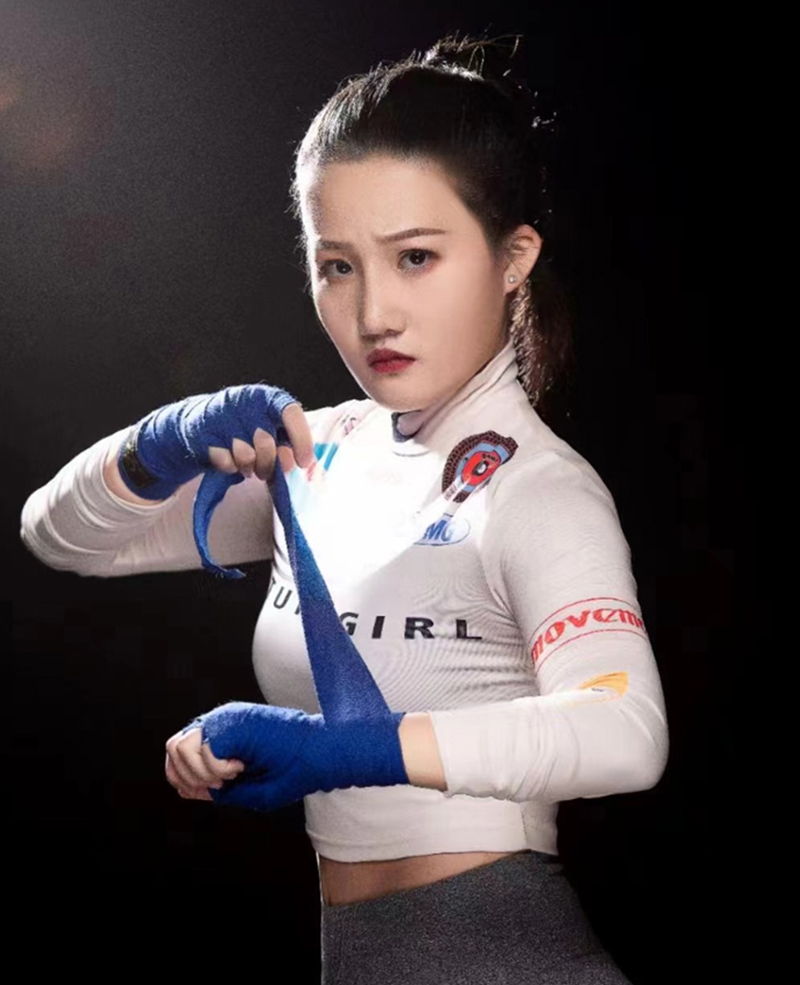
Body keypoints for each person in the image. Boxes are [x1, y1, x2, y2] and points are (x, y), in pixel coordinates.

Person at [20, 32, 669, 984]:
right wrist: (162, 439)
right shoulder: (318, 454)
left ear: (513, 257)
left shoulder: (539, 488)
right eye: (337, 266)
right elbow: (60, 537)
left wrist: (357, 748)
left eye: (416, 257)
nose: (374, 316)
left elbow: (627, 735)